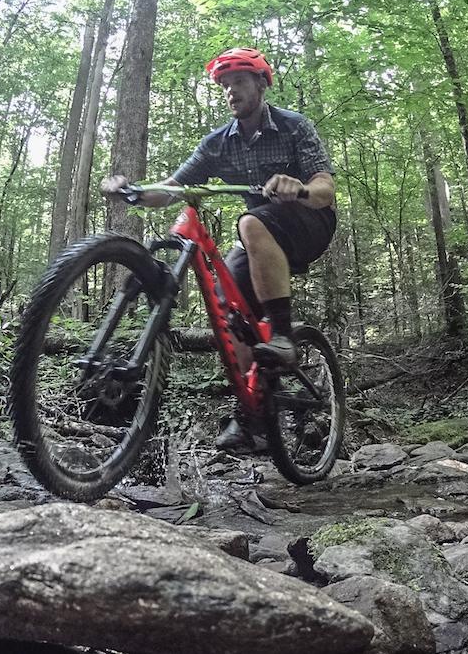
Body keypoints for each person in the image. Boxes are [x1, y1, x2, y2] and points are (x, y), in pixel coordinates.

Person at [101, 47, 337, 451]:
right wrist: (132, 192)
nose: (231, 91)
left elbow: (325, 189)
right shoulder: (218, 144)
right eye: (225, 85)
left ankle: (282, 334)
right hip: (259, 235)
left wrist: (297, 188)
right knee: (228, 306)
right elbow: (172, 189)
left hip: (309, 221)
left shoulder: (294, 127)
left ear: (261, 85)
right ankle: (254, 418)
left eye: (240, 82)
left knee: (250, 222)